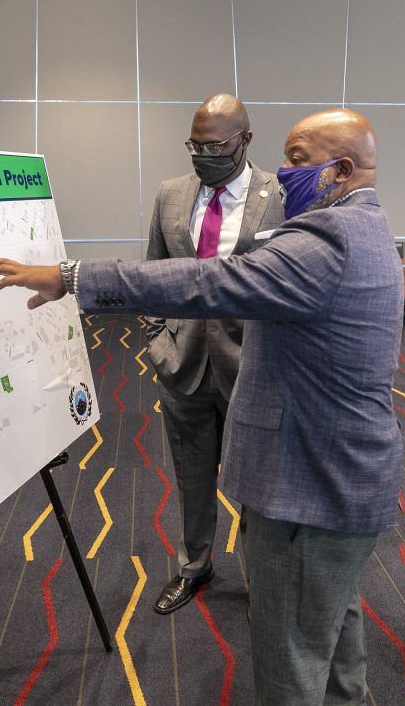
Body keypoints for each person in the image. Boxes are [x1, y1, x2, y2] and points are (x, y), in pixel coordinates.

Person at [0, 108, 404, 705]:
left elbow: (208, 283)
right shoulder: (365, 226)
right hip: (338, 471)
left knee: (290, 653)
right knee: (333, 623)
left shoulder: (328, 239)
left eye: (300, 160)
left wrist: (73, 277)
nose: (286, 173)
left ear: (342, 169)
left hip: (310, 482)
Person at [143, 94, 284, 615]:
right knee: (190, 474)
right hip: (181, 364)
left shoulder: (280, 194)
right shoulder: (170, 194)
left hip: (253, 367)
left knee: (257, 482)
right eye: (194, 145)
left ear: (245, 139)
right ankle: (194, 566)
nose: (202, 155)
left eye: (215, 145)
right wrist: (158, 341)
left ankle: (259, 575)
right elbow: (154, 274)